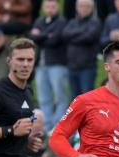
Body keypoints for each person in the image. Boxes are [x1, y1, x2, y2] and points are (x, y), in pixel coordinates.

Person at [29, 0, 70, 132]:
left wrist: (40, 35)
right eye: (47, 6)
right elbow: (33, 37)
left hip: (57, 64)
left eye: (53, 6)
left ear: (57, 7)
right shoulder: (39, 21)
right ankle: (46, 127)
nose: (50, 9)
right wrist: (47, 35)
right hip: (41, 65)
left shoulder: (62, 21)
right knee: (43, 97)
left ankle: (57, 125)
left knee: (60, 96)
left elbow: (55, 39)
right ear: (43, 7)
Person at [62, 0, 102, 99]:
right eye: (81, 6)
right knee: (74, 99)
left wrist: (73, 36)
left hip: (87, 67)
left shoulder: (95, 22)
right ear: (77, 7)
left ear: (92, 8)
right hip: (72, 66)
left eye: (87, 6)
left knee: (87, 97)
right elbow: (65, 35)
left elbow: (89, 37)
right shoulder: (72, 22)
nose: (84, 8)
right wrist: (81, 32)